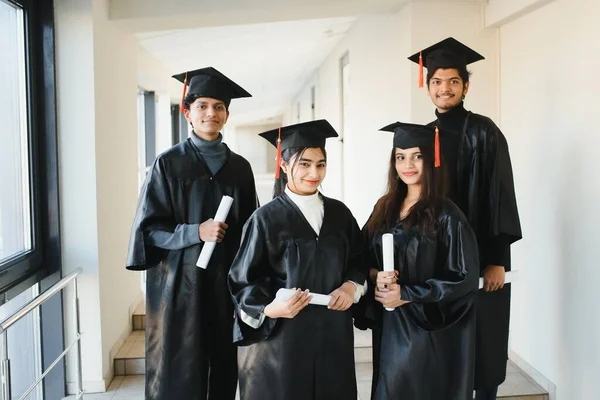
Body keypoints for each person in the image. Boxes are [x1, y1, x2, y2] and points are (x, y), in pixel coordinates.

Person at [126, 67, 258, 400]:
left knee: (224, 365)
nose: (210, 113)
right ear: (188, 112)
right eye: (202, 106)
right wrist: (194, 232)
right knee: (180, 368)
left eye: (218, 106)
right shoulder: (168, 164)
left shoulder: (240, 169)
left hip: (225, 286)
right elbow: (149, 230)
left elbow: (253, 232)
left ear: (227, 114)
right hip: (178, 287)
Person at [408, 37, 523, 399]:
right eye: (438, 81)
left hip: (480, 255)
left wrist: (496, 262)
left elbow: (501, 199)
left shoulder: (485, 132)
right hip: (438, 258)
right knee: (445, 347)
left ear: (466, 86)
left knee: (484, 345)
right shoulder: (423, 138)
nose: (445, 89)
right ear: (428, 87)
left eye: (454, 81)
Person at [228, 119, 366, 400]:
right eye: (304, 163)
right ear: (284, 164)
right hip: (284, 338)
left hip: (332, 333)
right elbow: (243, 281)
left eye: (321, 163)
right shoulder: (265, 219)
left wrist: (351, 286)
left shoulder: (340, 215)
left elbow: (360, 259)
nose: (314, 172)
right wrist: (269, 309)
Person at [357, 121, 480, 399]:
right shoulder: (384, 207)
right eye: (400, 157)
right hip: (389, 324)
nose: (407, 165)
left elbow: (465, 278)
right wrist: (376, 275)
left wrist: (409, 294)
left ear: (432, 160)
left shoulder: (447, 216)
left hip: (426, 329)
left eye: (417, 156)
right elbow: (360, 255)